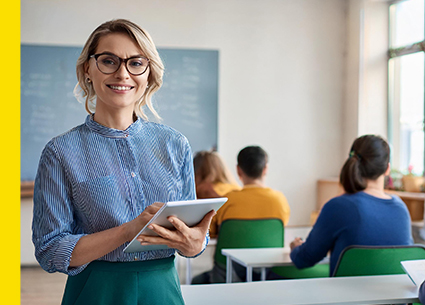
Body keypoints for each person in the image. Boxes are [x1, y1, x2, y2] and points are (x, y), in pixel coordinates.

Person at [32, 19, 215, 305]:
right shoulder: (60, 152)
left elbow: (192, 237)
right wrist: (130, 230)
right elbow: (49, 250)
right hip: (96, 291)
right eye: (109, 61)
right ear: (87, 70)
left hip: (163, 289)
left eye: (135, 63)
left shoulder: (175, 144)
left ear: (148, 73)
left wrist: (195, 244)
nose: (122, 73)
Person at [290, 135, 413, 276]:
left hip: (346, 297)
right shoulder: (401, 209)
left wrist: (295, 248)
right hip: (395, 297)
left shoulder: (338, 206)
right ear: (387, 169)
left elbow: (304, 259)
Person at [192, 145, 291, 283]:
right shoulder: (280, 200)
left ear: (238, 170)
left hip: (228, 272)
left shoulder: (228, 200)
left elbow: (210, 230)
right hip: (267, 271)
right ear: (265, 169)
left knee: (197, 280)